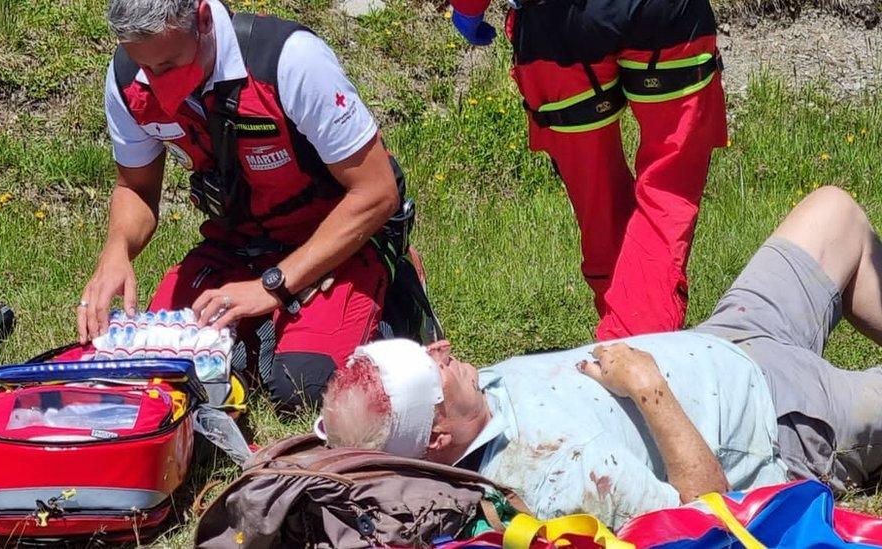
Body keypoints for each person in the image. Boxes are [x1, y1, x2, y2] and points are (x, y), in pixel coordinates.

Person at [320, 186, 882, 529]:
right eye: (434, 366)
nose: (443, 349)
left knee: (834, 212)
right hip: (786, 422)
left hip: (731, 336)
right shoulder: (558, 480)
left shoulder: (459, 415)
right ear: (437, 434)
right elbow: (705, 517)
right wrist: (648, 387)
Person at [77, 0, 402, 410]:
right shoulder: (128, 78)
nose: (158, 86)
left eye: (170, 66)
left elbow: (377, 192)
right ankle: (253, 340)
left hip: (337, 245)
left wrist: (273, 285)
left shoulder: (288, 60)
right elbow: (136, 188)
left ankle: (392, 301)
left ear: (202, 18)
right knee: (155, 369)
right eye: (147, 69)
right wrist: (116, 251)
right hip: (237, 245)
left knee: (304, 388)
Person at [448, 0, 728, 340]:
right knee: (666, 192)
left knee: (598, 201)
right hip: (664, 16)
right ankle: (632, 343)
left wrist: (469, 10)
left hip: (553, 33)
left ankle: (625, 342)